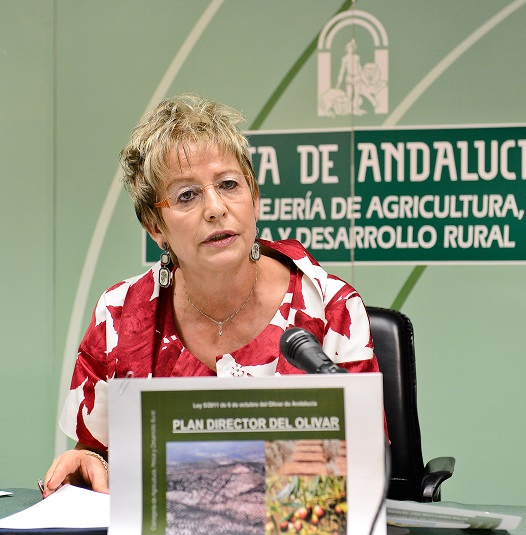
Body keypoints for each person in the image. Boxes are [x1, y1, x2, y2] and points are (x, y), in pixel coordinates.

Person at [42, 93, 379, 497]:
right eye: (187, 195)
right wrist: (87, 462)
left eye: (229, 185)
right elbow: (95, 452)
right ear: (155, 226)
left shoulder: (331, 307)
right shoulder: (119, 317)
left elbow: (366, 465)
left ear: (254, 198)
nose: (216, 208)